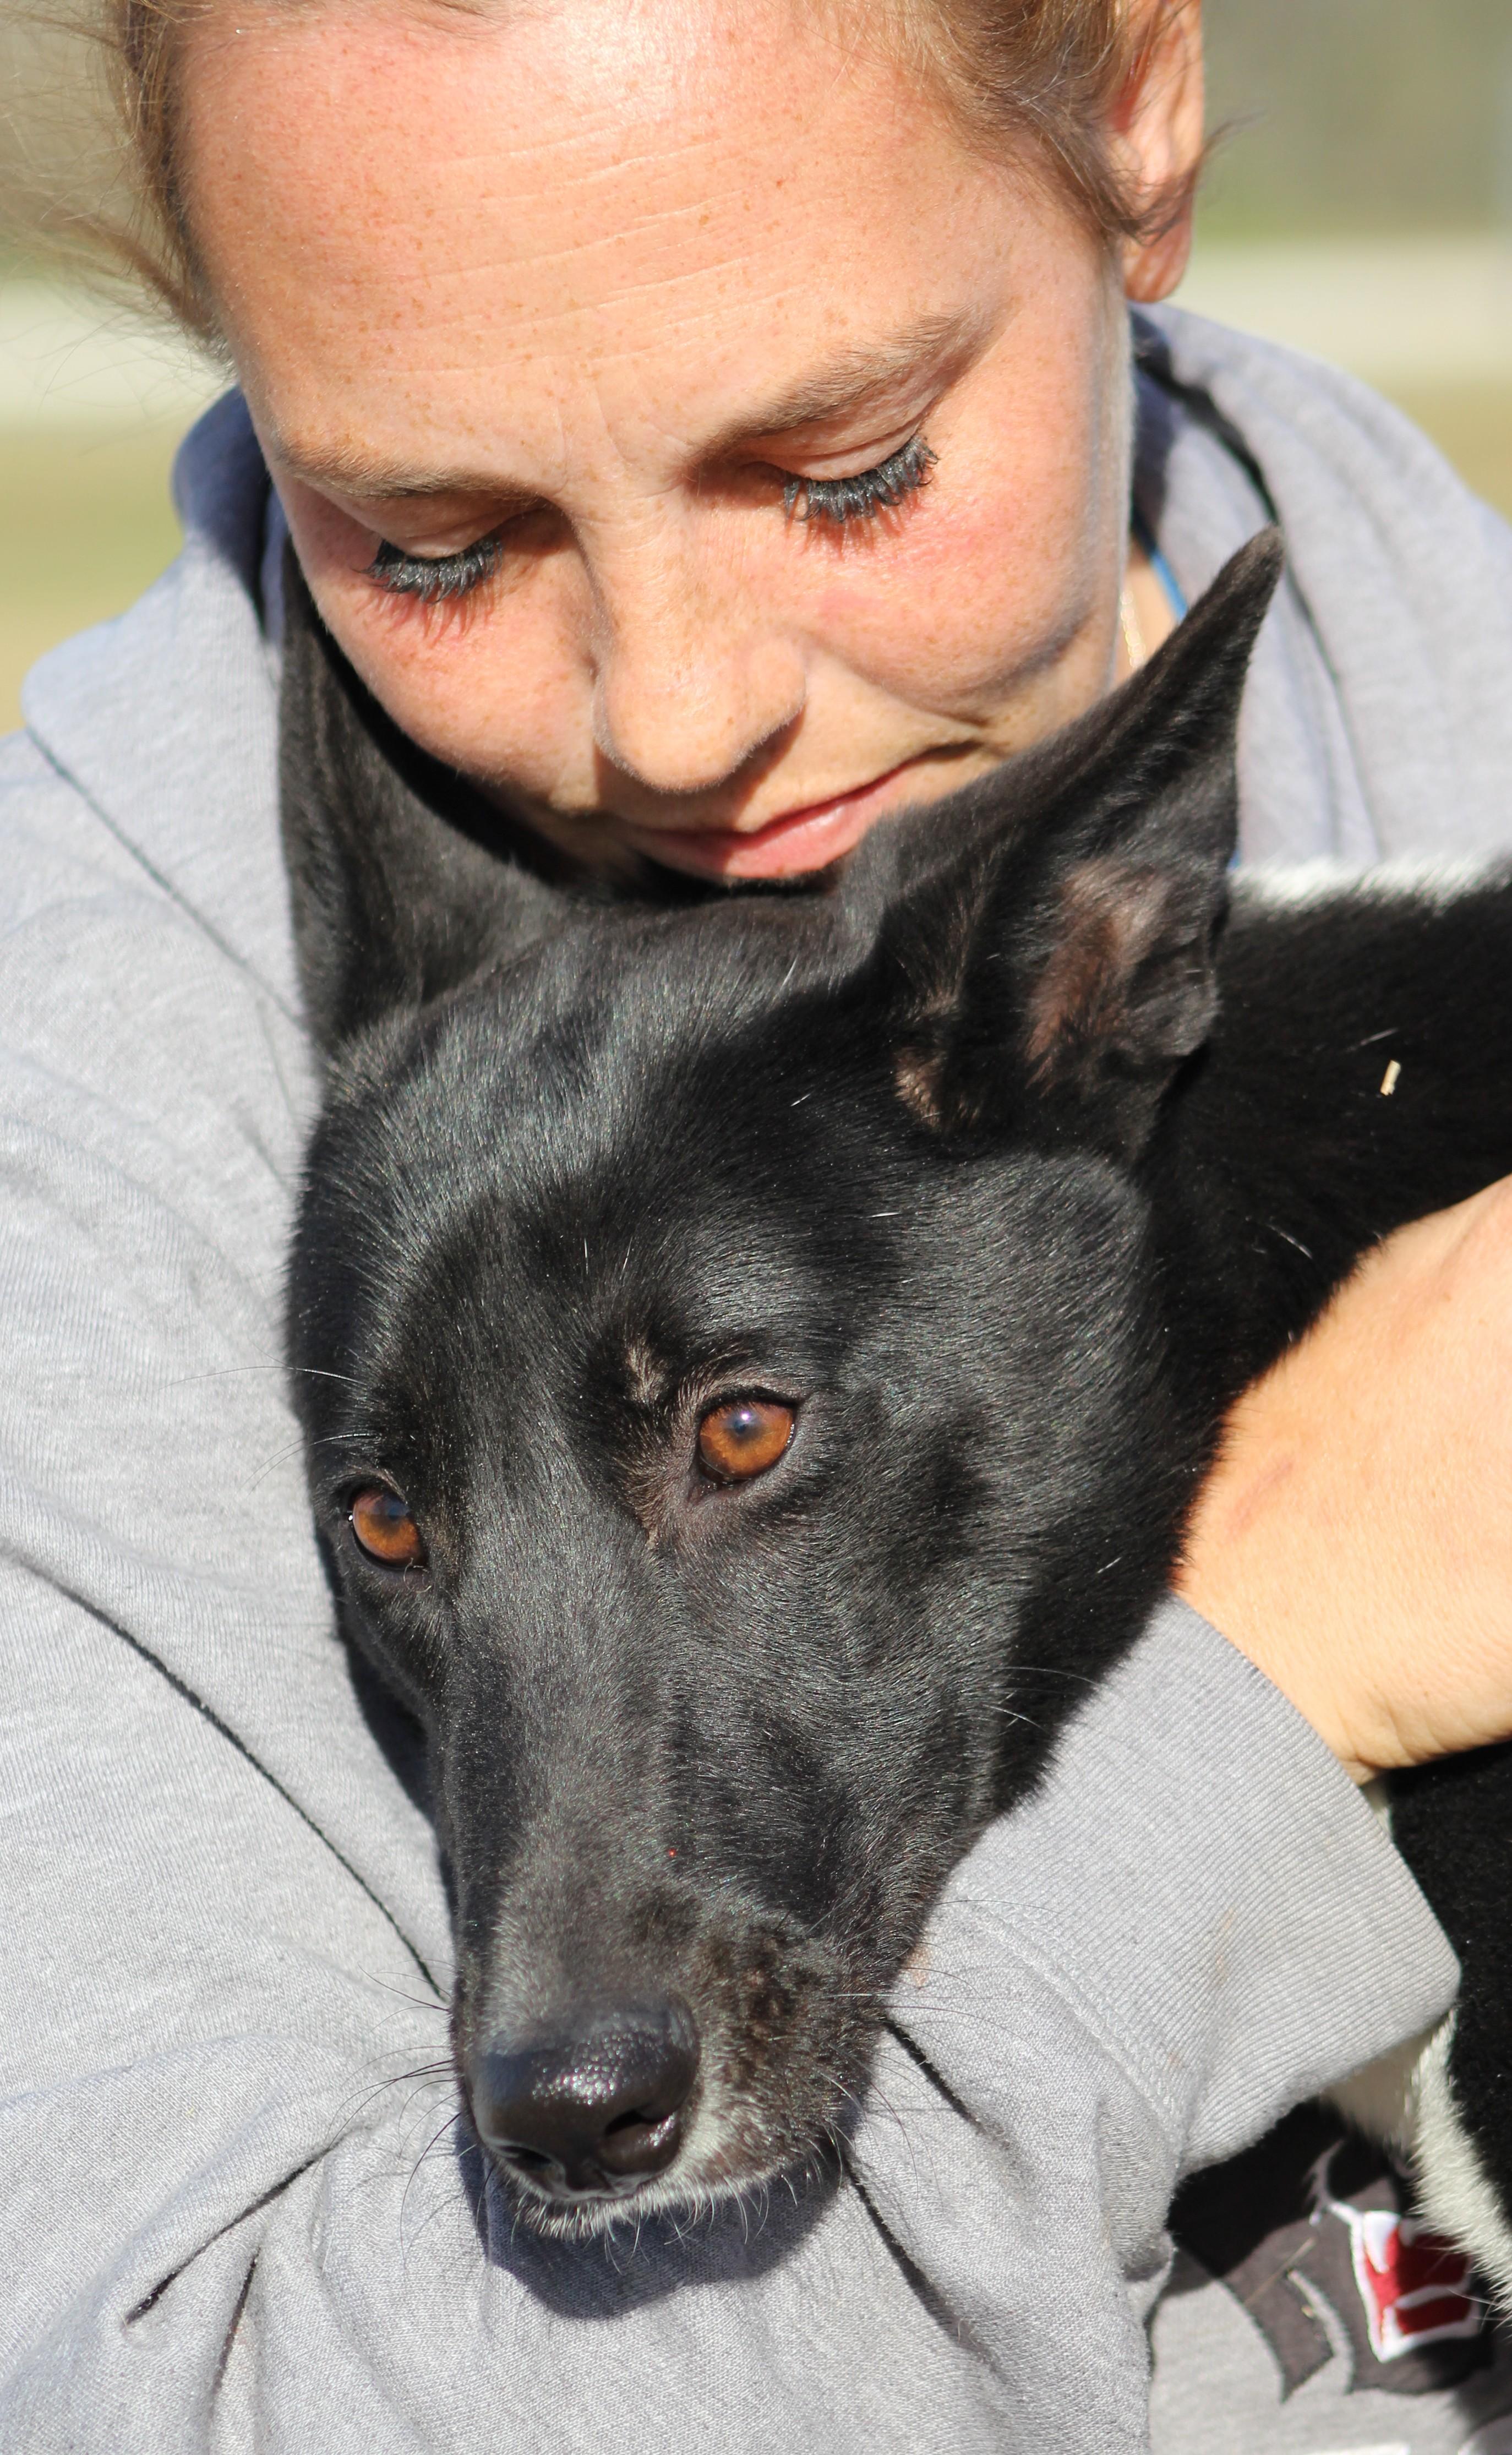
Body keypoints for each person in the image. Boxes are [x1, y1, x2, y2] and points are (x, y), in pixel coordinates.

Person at [6, 0, 1512, 2444]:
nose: (682, 717)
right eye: (437, 541)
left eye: (846, 468)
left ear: (1139, 106)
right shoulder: (87, 1174)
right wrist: (1294, 1639)